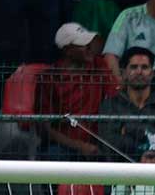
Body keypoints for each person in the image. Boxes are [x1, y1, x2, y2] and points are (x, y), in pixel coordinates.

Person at [37, 23, 118, 160]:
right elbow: (44, 128)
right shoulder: (49, 78)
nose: (90, 48)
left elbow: (115, 98)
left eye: (90, 44)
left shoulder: (99, 66)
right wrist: (79, 146)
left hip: (99, 144)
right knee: (54, 154)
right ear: (68, 50)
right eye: (84, 45)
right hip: (62, 147)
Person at [98, 47, 155, 162]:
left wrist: (130, 129)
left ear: (152, 74)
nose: (139, 72)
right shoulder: (110, 106)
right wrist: (151, 138)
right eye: (134, 67)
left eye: (144, 67)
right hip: (122, 169)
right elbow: (110, 146)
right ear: (124, 73)